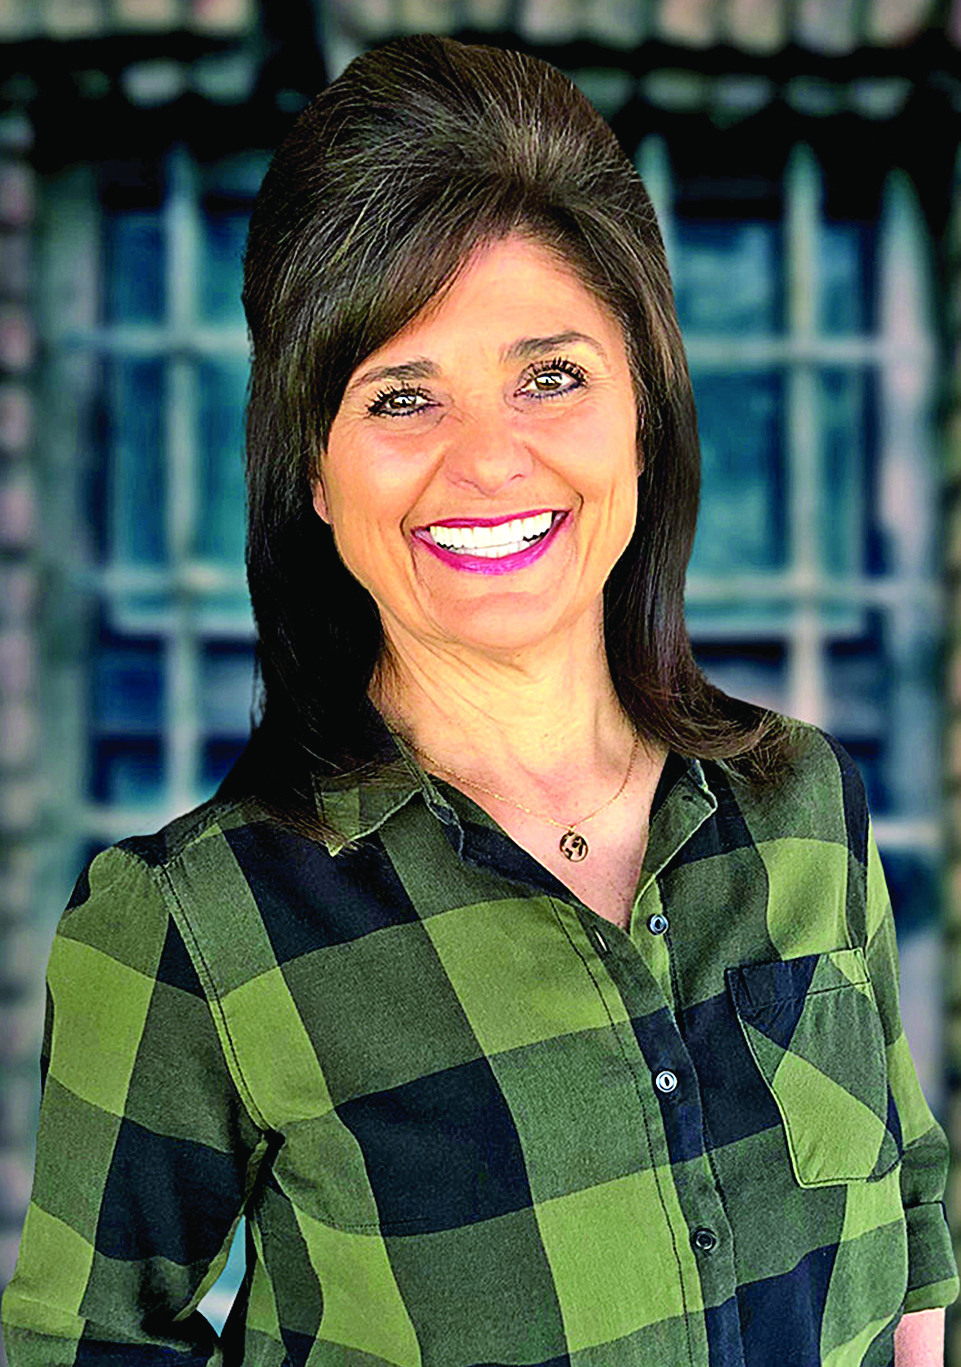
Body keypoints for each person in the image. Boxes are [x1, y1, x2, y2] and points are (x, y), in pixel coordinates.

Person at [2, 32, 957, 1367]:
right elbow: (83, 1344)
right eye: (403, 395)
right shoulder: (192, 933)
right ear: (317, 477)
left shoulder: (805, 805)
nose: (490, 459)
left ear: (645, 413)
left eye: (549, 374)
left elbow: (911, 1227)